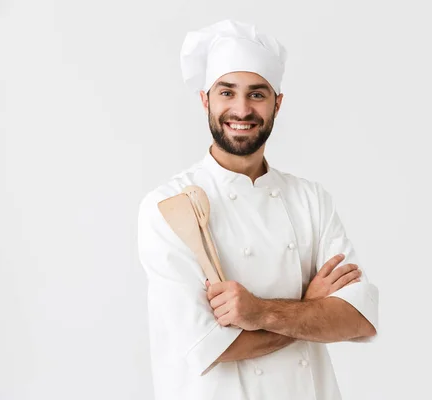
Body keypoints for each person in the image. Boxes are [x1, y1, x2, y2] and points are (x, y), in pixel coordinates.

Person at [137, 19, 379, 400]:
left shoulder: (311, 199)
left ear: (277, 103)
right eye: (227, 92)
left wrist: (260, 312)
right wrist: (312, 309)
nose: (241, 109)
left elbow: (358, 319)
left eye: (257, 94)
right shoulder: (169, 207)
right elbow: (213, 346)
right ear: (205, 100)